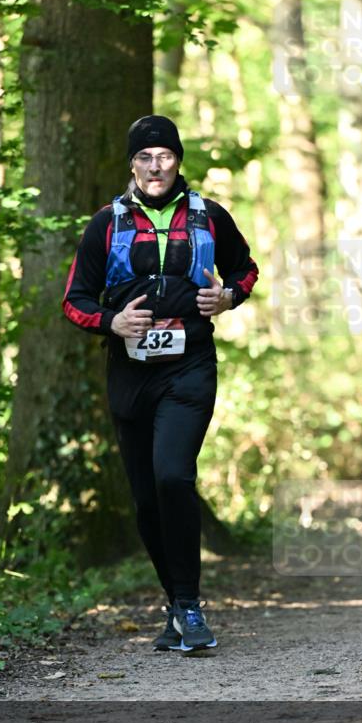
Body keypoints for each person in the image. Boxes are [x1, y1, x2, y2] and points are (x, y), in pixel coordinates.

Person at [62, 115, 259, 653]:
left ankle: (191, 606)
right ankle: (174, 603)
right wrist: (111, 322)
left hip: (189, 368)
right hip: (130, 374)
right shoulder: (106, 223)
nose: (156, 166)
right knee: (146, 499)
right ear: (132, 163)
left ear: (177, 161)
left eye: (165, 156)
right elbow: (74, 300)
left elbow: (245, 270)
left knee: (174, 476)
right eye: (145, 157)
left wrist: (227, 298)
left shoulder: (208, 216)